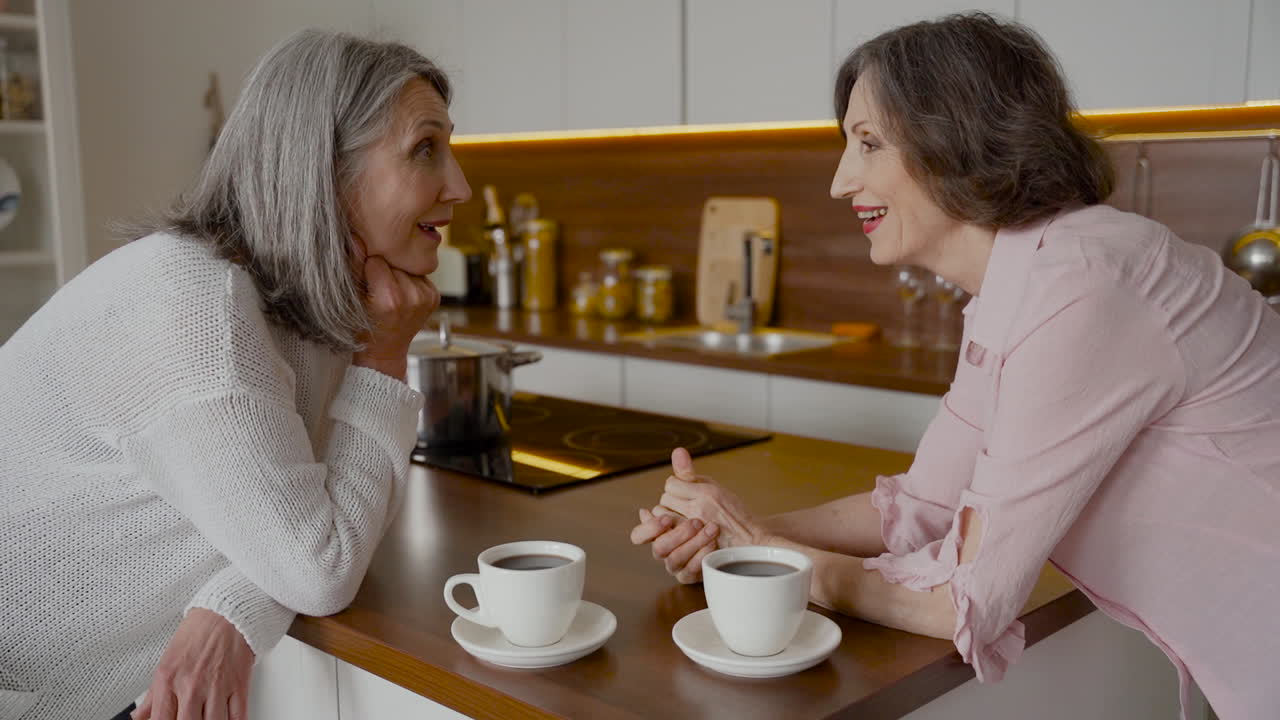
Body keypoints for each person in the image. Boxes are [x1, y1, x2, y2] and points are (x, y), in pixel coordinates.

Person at [631, 13, 1279, 719]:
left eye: (869, 143)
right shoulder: (1020, 285)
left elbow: (964, 599)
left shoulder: (1081, 285)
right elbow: (926, 507)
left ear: (957, 137)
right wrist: (742, 532)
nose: (842, 182)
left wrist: (767, 556)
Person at [0, 30, 470, 720]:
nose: (459, 185)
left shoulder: (312, 298)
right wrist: (384, 360)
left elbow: (326, 503)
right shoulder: (198, 312)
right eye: (426, 149)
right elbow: (322, 563)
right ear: (324, 169)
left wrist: (232, 603)